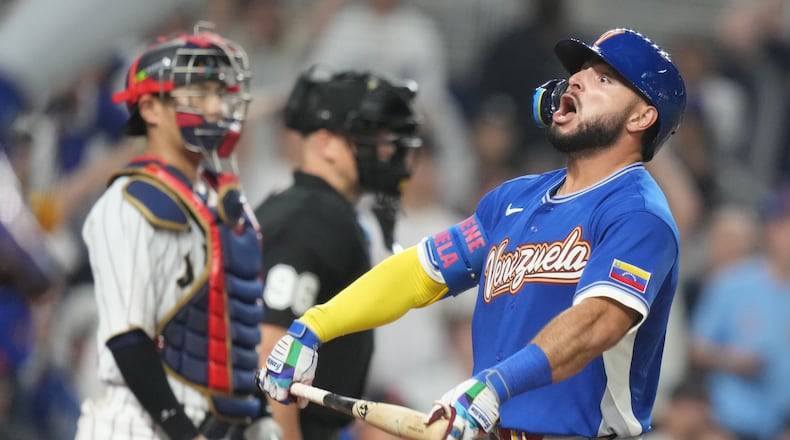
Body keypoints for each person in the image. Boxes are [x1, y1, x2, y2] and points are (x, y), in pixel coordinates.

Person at [258, 27, 687, 440]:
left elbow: (597, 323)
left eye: (604, 79)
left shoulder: (638, 212)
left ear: (642, 116)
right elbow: (418, 273)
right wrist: (312, 326)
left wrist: (496, 384)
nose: (576, 81)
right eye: (579, 71)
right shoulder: (513, 199)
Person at [74, 23, 279, 440]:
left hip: (217, 420)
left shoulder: (221, 200)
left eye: (220, 94)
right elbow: (127, 338)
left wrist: (258, 415)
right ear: (149, 109)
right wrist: (183, 433)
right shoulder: (128, 202)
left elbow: (233, 324)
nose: (216, 108)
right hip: (138, 425)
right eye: (198, 94)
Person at [255, 66, 422, 440]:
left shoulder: (318, 209)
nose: (387, 150)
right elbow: (270, 352)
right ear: (327, 143)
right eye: (371, 137)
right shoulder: (310, 218)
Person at [689, 185, 790, 440]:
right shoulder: (733, 282)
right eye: (784, 225)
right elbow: (696, 348)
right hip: (730, 419)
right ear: (770, 229)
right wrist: (730, 360)